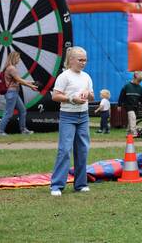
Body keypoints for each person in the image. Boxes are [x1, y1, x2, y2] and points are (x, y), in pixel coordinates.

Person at [50, 46, 94, 196]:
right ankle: (56, 186)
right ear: (71, 60)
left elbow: (93, 96)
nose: (83, 63)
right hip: (67, 116)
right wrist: (71, 99)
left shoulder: (86, 77)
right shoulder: (64, 76)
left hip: (84, 117)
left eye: (85, 60)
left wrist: (88, 94)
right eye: (80, 60)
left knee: (82, 150)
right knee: (65, 150)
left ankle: (81, 184)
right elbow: (55, 96)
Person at [0, 51, 38, 136]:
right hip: (12, 93)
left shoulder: (9, 67)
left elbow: (18, 80)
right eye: (18, 57)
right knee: (8, 113)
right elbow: (19, 80)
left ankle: (23, 130)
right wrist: (30, 86)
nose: (19, 59)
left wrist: (31, 82)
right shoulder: (12, 68)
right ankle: (0, 132)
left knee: (22, 111)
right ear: (14, 58)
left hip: (13, 93)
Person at [117, 71, 142, 137]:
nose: (139, 82)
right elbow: (121, 96)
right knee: (132, 117)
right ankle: (134, 132)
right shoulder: (127, 86)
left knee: (131, 119)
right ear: (134, 78)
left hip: (136, 106)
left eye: (140, 81)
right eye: (138, 80)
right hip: (128, 105)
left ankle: (128, 133)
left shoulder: (139, 88)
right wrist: (119, 105)